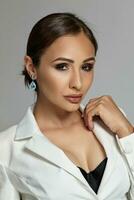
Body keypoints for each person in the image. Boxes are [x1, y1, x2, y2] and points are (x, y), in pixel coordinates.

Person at [0, 12, 134, 200]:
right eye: (62, 66)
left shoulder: (113, 124)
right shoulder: (6, 150)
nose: (78, 83)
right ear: (31, 68)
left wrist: (128, 132)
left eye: (86, 67)